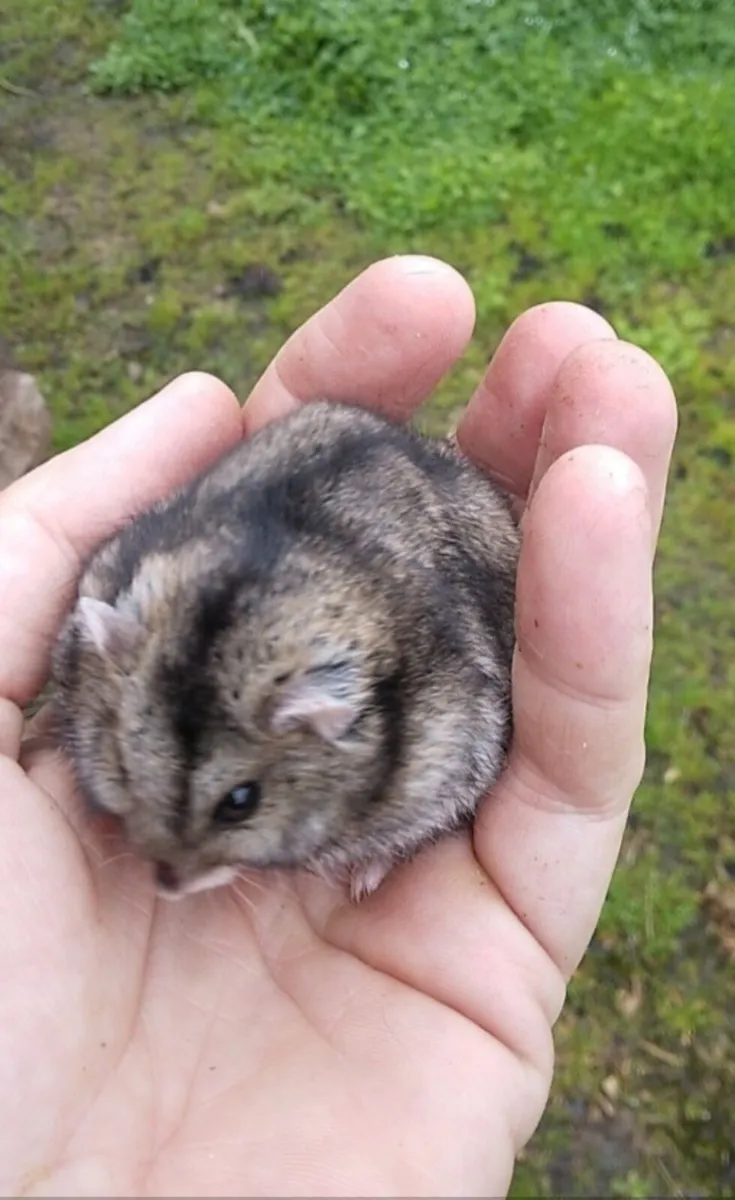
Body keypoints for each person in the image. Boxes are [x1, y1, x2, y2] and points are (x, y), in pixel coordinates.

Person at [0, 256, 676, 1196]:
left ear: (323, 728)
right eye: (127, 762)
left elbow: (458, 728)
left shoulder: (378, 715)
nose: (166, 868)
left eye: (236, 801)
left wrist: (369, 839)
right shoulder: (118, 624)